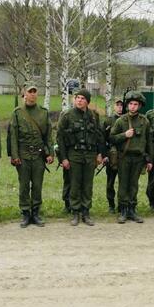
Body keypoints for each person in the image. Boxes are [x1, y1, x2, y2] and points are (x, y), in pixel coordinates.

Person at [8, 84, 53, 227]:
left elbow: (48, 135)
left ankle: (36, 212)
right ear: (24, 94)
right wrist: (14, 155)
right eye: (30, 92)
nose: (32, 94)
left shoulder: (43, 113)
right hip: (23, 155)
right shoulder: (17, 113)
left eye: (35, 92)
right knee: (24, 186)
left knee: (38, 186)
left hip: (39, 155)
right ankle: (25, 213)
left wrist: (50, 153)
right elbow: (13, 136)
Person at [57, 88, 104, 226]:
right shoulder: (67, 115)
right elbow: (60, 138)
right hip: (74, 154)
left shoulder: (94, 116)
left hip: (90, 155)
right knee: (75, 184)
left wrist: (100, 154)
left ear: (87, 101)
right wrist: (63, 158)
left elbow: (99, 136)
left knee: (88, 185)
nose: (79, 100)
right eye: (77, 97)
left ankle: (86, 212)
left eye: (83, 98)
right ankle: (75, 212)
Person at [109, 91, 153, 223]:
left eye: (136, 104)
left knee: (134, 184)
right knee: (123, 184)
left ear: (139, 106)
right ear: (127, 105)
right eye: (131, 104)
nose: (133, 106)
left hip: (139, 158)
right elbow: (111, 138)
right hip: (124, 157)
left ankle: (132, 210)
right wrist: (124, 135)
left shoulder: (144, 121)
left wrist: (149, 159)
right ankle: (123, 210)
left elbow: (149, 141)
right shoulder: (121, 121)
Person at [103, 98, 123, 213]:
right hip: (111, 155)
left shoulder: (127, 120)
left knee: (123, 182)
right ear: (114, 106)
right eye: (118, 105)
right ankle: (111, 204)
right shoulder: (108, 121)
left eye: (122, 105)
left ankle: (121, 205)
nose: (120, 107)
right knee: (110, 182)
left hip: (124, 155)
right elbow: (102, 139)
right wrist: (105, 155)